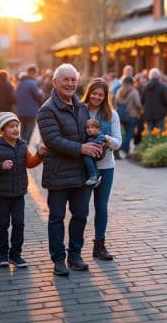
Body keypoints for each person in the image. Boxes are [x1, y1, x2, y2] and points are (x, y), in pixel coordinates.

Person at [37, 63, 101, 276]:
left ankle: (75, 255)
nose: (70, 83)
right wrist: (82, 148)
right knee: (56, 217)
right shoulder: (47, 110)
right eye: (66, 79)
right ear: (55, 82)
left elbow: (86, 135)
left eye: (73, 79)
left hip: (81, 173)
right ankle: (58, 260)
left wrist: (97, 144)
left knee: (81, 215)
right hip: (58, 172)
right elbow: (53, 140)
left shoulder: (82, 108)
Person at [0, 112, 46, 268]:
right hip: (1, 193)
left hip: (18, 193)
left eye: (17, 126)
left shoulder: (23, 145)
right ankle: (3, 255)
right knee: (3, 224)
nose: (16, 129)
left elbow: (30, 163)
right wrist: (0, 166)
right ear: (2, 130)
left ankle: (15, 255)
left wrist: (39, 155)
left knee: (19, 223)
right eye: (11, 127)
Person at [82, 78, 122, 261]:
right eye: (94, 93)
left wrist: (106, 139)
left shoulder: (111, 114)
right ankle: (76, 250)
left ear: (106, 96)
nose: (97, 97)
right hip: (82, 166)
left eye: (101, 94)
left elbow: (118, 142)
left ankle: (99, 246)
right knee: (81, 209)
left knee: (101, 207)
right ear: (89, 92)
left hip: (105, 167)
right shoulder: (81, 111)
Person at [114, 75, 143, 156]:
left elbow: (115, 103)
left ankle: (125, 152)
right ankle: (120, 148)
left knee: (125, 133)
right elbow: (138, 104)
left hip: (121, 116)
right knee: (130, 134)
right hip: (132, 116)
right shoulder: (134, 92)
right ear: (131, 83)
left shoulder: (119, 91)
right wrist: (140, 111)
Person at [16, 65, 45, 142]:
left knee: (22, 130)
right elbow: (39, 97)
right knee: (29, 132)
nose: (36, 75)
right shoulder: (32, 83)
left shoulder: (19, 83)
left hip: (21, 111)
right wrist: (41, 92)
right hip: (31, 112)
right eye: (36, 73)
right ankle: (24, 147)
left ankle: (20, 146)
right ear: (32, 73)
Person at [83, 119, 106, 188]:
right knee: (91, 161)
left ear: (98, 129)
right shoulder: (89, 137)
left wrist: (85, 145)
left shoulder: (101, 136)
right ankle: (97, 176)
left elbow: (95, 144)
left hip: (98, 153)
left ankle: (93, 176)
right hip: (92, 152)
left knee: (87, 157)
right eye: (87, 128)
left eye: (92, 127)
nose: (89, 130)